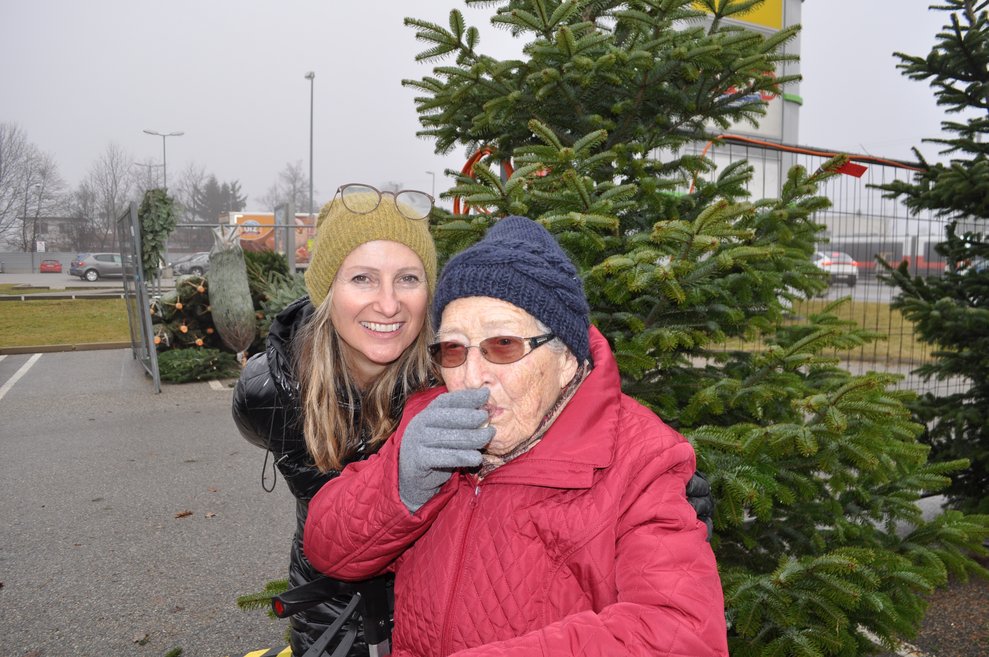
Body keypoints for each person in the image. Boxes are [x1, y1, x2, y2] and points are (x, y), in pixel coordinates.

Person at [303, 216, 729, 656]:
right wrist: (400, 485)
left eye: (503, 345)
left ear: (566, 358)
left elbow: (682, 635)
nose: (471, 376)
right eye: (452, 349)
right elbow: (327, 549)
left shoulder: (641, 460)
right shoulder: (431, 426)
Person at [232, 183, 438, 656]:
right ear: (328, 288)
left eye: (408, 278)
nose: (388, 304)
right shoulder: (273, 394)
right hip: (329, 614)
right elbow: (338, 527)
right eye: (363, 278)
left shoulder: (450, 374)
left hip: (430, 609)